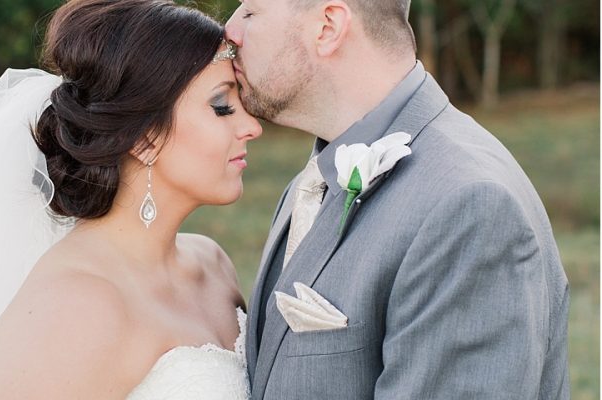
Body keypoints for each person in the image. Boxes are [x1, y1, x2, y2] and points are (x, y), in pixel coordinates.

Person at [0, 0, 262, 398]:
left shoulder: (212, 266)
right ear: (144, 138)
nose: (251, 127)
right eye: (222, 106)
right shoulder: (72, 308)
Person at [225, 0, 570, 398]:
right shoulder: (316, 179)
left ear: (328, 27)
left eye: (250, 11)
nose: (230, 31)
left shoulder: (469, 206)